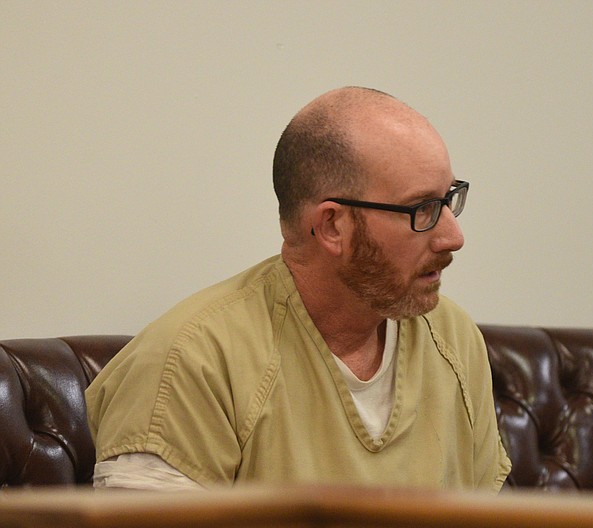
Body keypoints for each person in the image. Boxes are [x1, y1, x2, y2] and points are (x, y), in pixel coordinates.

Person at [86, 86, 511, 491]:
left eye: (449, 198)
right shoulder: (190, 363)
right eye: (423, 208)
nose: (453, 237)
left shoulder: (452, 336)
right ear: (332, 226)